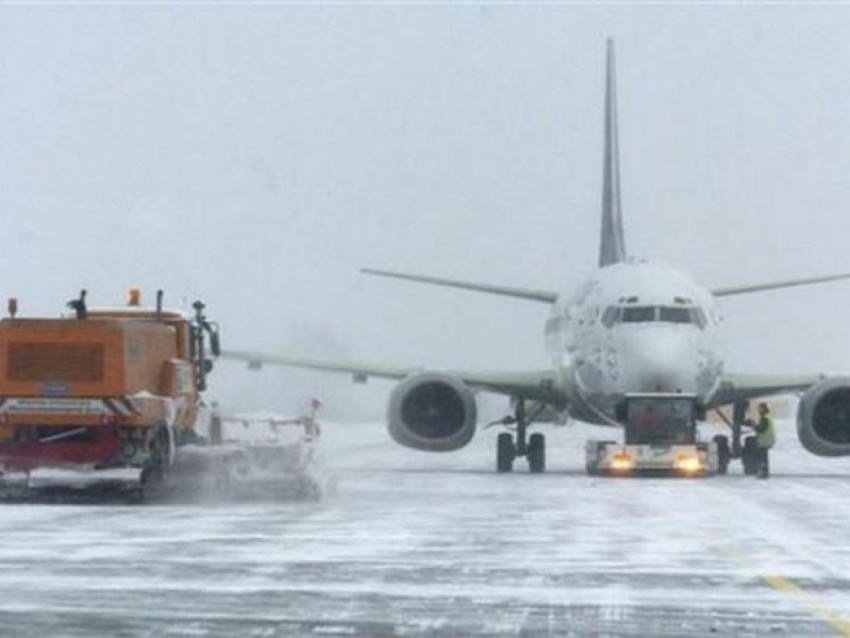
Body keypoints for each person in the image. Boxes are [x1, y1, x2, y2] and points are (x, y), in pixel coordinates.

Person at [751, 402, 776, 478]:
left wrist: (754, 426)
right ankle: (764, 472)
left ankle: (763, 473)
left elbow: (761, 429)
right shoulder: (767, 417)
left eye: (760, 409)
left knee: (762, 456)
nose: (758, 410)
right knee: (764, 456)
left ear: (763, 409)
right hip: (767, 439)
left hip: (765, 440)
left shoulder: (764, 418)